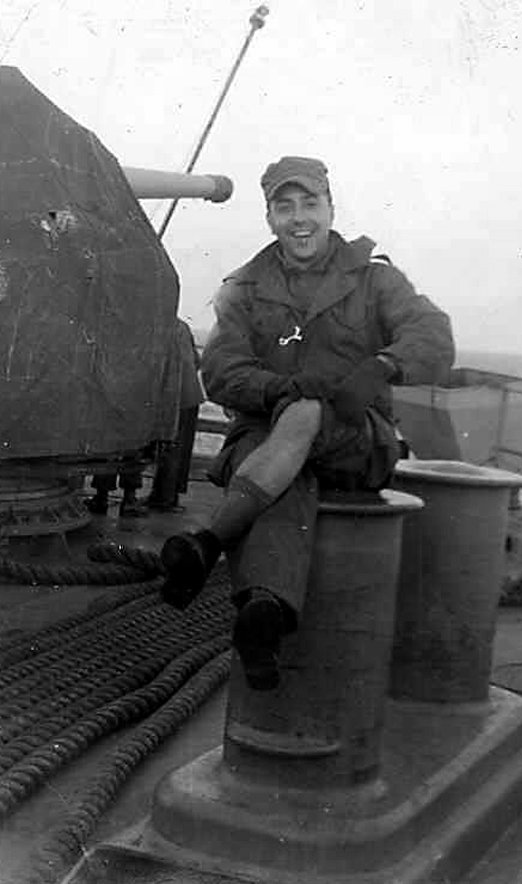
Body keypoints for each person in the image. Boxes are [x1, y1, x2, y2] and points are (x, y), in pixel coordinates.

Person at [160, 155, 455, 690]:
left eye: (310, 204)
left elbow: (432, 335)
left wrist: (382, 366)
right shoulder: (244, 288)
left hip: (357, 439)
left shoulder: (376, 279)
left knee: (307, 414)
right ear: (270, 218)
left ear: (330, 208)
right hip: (265, 435)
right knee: (287, 454)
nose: (299, 218)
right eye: (285, 207)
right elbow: (220, 370)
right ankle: (265, 614)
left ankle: (209, 541)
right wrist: (279, 388)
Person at [147, 319, 205, 512]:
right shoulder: (183, 326)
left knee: (170, 446)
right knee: (181, 448)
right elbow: (197, 361)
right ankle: (171, 497)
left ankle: (162, 498)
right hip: (191, 395)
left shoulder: (157, 325)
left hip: (174, 396)